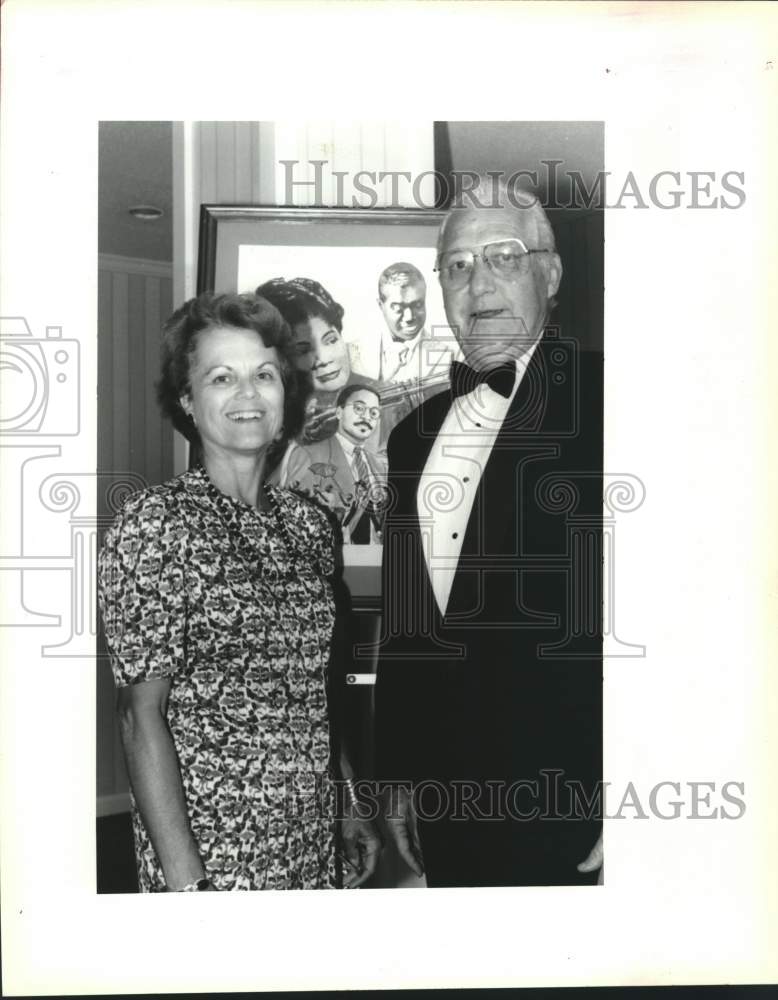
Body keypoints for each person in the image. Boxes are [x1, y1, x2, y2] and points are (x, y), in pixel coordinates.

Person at [98, 291, 380, 891]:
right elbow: (137, 715)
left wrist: (349, 801)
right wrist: (185, 879)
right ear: (187, 401)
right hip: (212, 853)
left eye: (265, 375)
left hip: (311, 842)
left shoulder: (308, 525)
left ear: (287, 394)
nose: (248, 395)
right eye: (222, 377)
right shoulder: (156, 524)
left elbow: (313, 691)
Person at [373, 177, 604, 888]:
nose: (478, 283)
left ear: (551, 272)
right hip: (445, 799)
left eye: (503, 256)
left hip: (574, 798)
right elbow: (408, 622)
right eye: (458, 265)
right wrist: (399, 776)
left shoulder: (614, 401)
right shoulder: (412, 435)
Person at [285, 383, 388, 545]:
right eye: (359, 409)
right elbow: (293, 522)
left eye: (374, 413)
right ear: (339, 412)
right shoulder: (308, 456)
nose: (367, 417)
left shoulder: (378, 466)